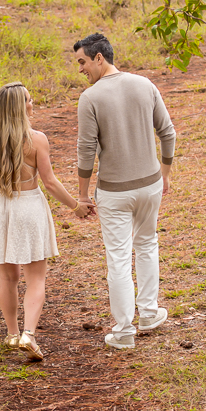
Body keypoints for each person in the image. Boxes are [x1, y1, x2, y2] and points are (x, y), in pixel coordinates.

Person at [0, 82, 92, 361]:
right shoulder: (36, 139)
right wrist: (76, 206)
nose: (32, 103)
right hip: (28, 207)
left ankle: (12, 334)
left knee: (7, 277)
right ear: (18, 107)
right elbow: (49, 182)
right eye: (29, 99)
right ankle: (29, 334)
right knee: (36, 278)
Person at [74, 33, 176, 350]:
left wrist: (82, 195)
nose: (81, 69)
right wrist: (165, 173)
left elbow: (86, 151)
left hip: (114, 192)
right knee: (147, 244)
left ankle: (124, 331)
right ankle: (149, 313)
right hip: (150, 184)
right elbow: (168, 133)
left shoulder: (90, 98)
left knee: (118, 258)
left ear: (99, 57)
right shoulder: (145, 85)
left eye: (82, 62)